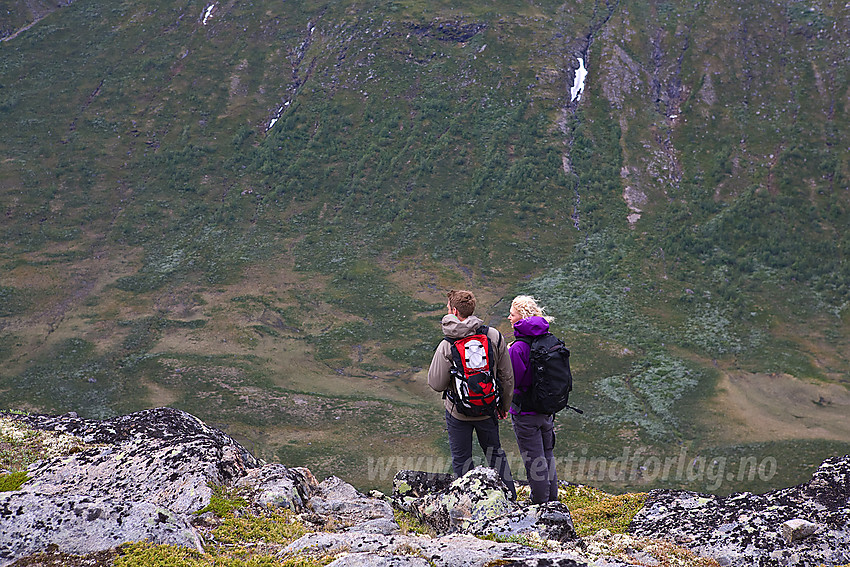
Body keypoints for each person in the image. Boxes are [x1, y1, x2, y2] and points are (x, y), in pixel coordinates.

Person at [428, 289, 517, 500]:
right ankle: (510, 498)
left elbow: (436, 383)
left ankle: (466, 505)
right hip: (488, 409)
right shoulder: (493, 336)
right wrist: (503, 406)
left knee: (461, 459)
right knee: (495, 454)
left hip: (457, 413)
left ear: (454, 310)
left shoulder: (447, 344)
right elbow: (506, 377)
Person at [508, 295, 559, 504]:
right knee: (547, 456)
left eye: (512, 314)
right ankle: (553, 502)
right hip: (546, 411)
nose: (509, 318)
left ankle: (540, 506)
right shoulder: (547, 340)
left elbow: (513, 382)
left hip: (525, 413)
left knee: (534, 461)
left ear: (521, 317)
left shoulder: (518, 347)